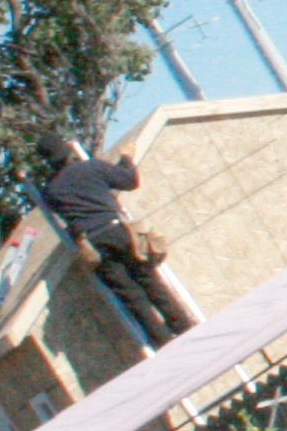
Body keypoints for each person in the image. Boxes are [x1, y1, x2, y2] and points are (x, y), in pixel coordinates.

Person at [35, 126, 189, 345]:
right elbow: (129, 181)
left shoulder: (51, 191)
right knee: (149, 280)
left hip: (93, 243)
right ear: (68, 150)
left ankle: (161, 340)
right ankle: (183, 327)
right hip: (117, 230)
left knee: (131, 295)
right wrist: (126, 158)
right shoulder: (92, 167)